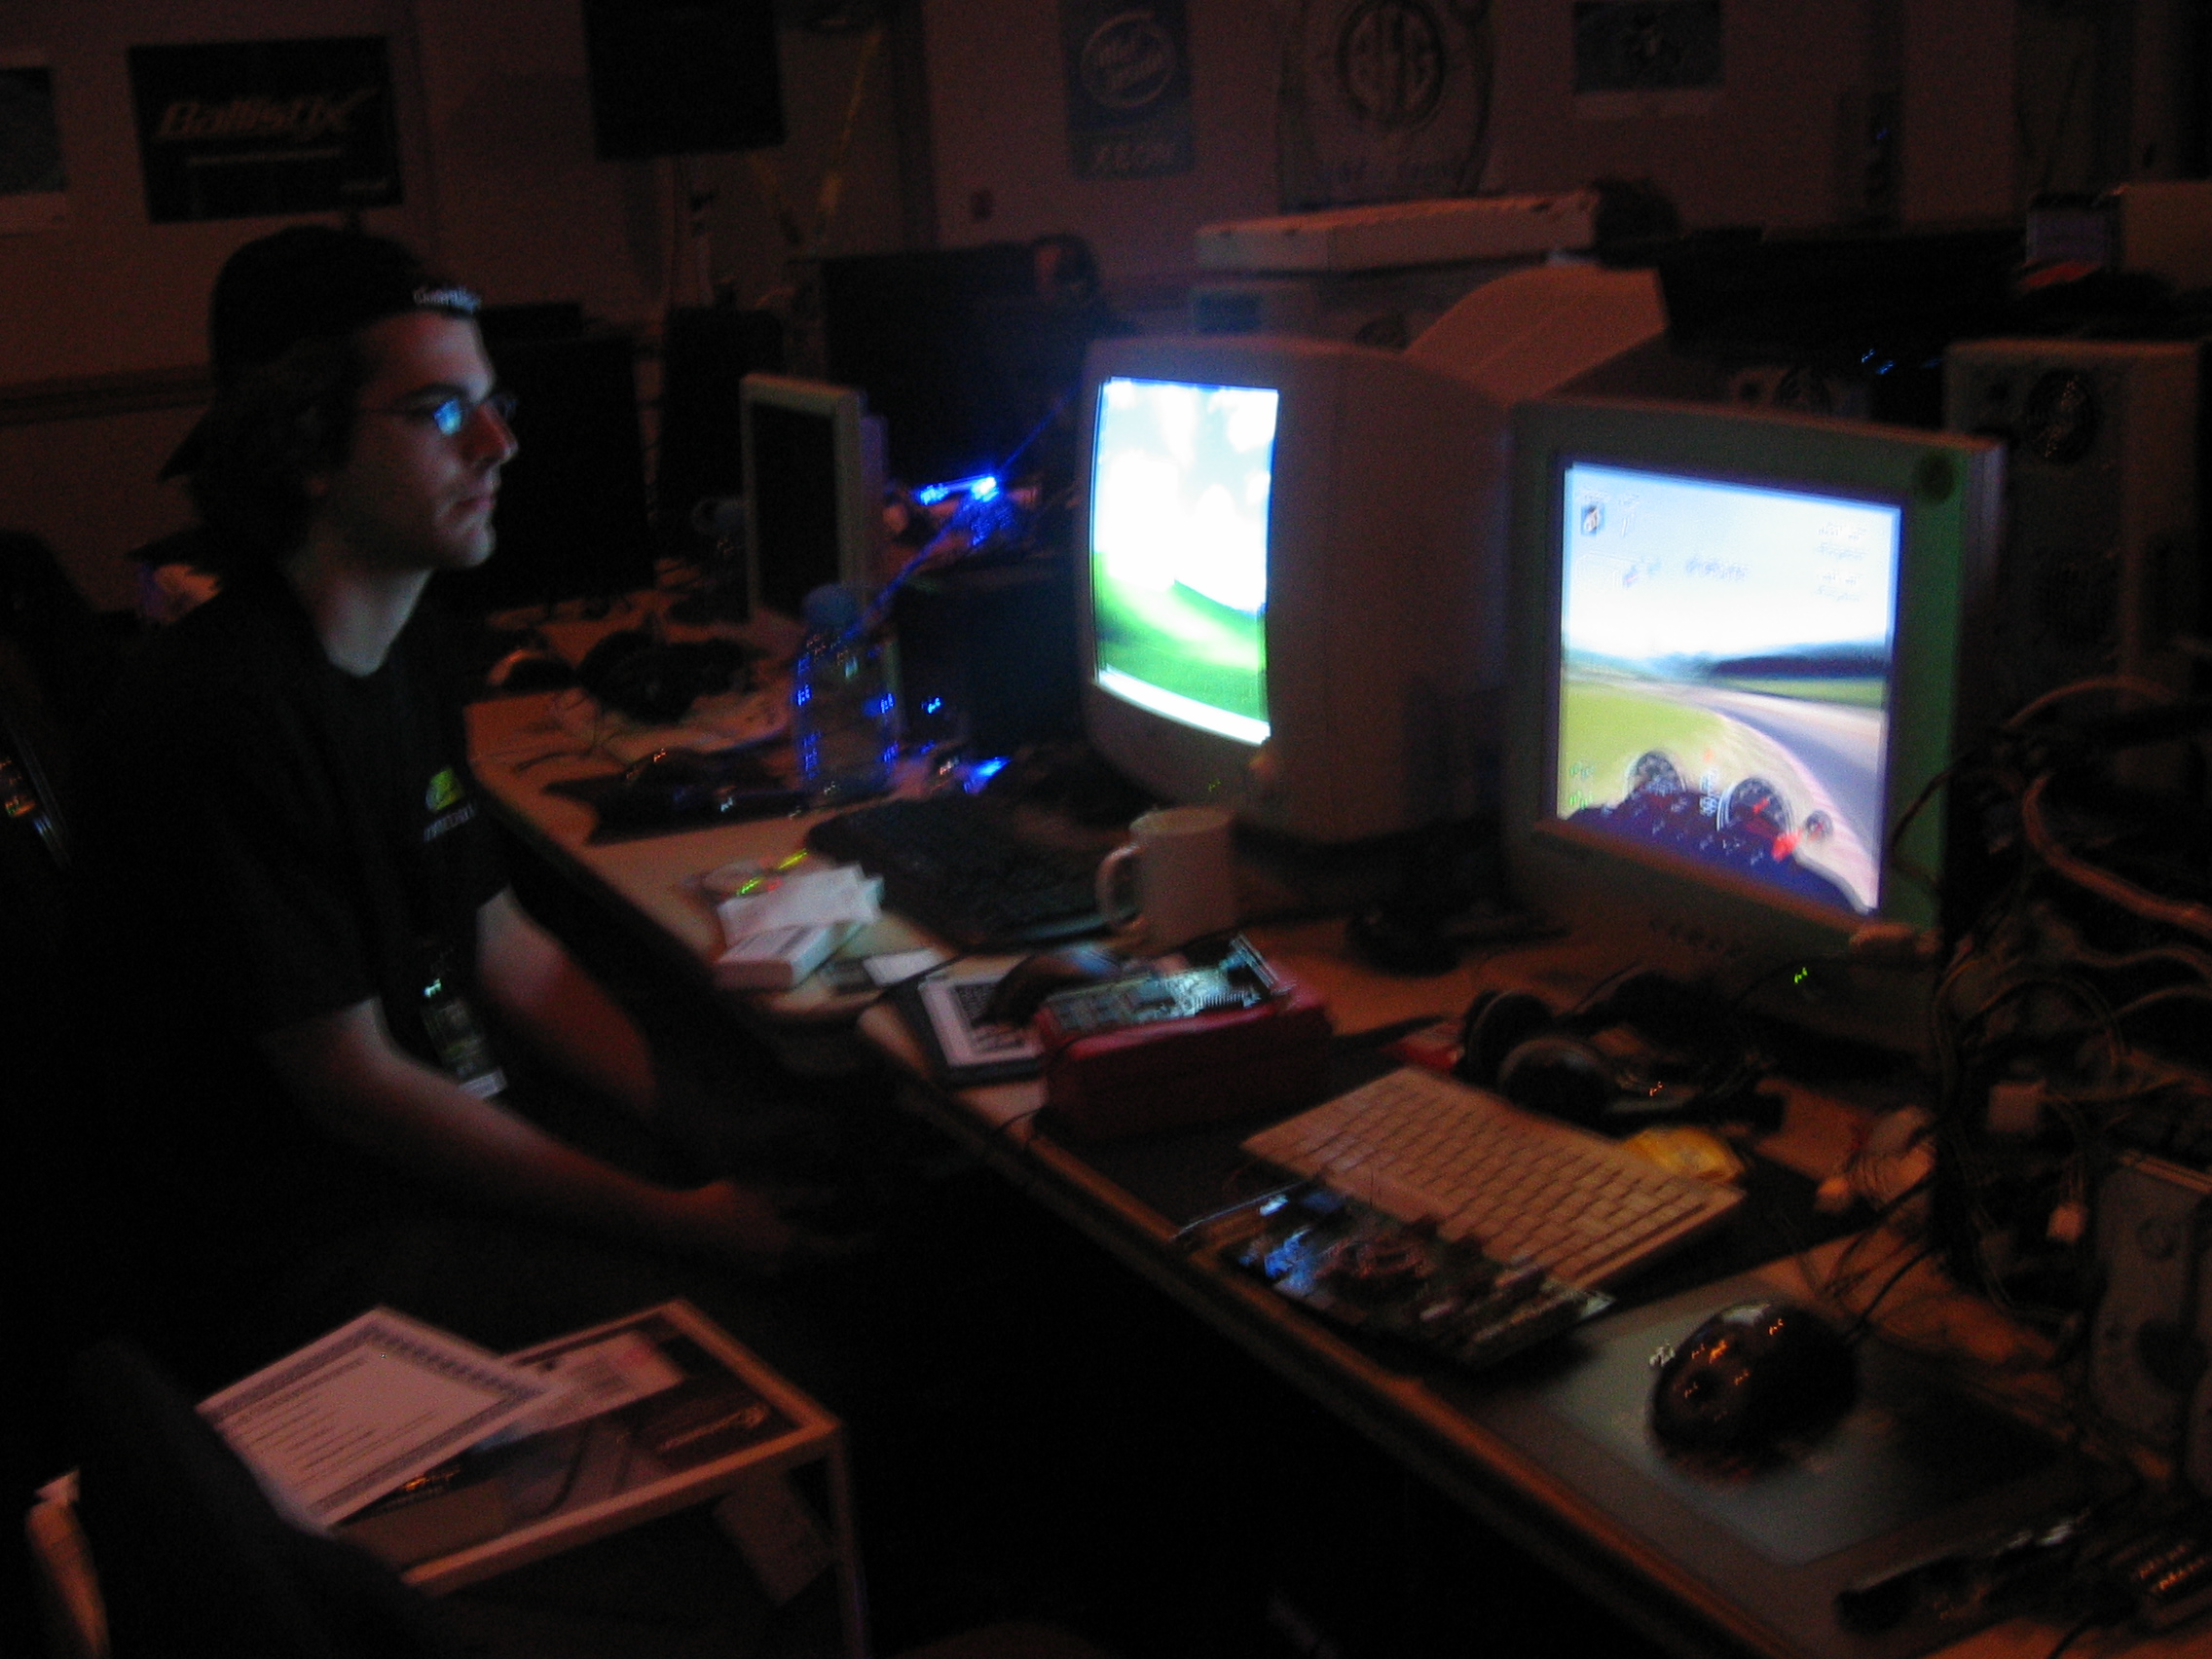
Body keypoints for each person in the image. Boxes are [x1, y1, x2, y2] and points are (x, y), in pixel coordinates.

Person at [70, 227, 829, 1389]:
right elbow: (356, 1086)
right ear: (305, 446)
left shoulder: (407, 641)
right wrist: (684, 1222)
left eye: (491, 403)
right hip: (303, 1244)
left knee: (811, 1184)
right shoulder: (217, 713)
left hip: (415, 1147)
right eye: (439, 412)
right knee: (768, 1349)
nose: (498, 444)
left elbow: (501, 947)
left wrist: (697, 1125)